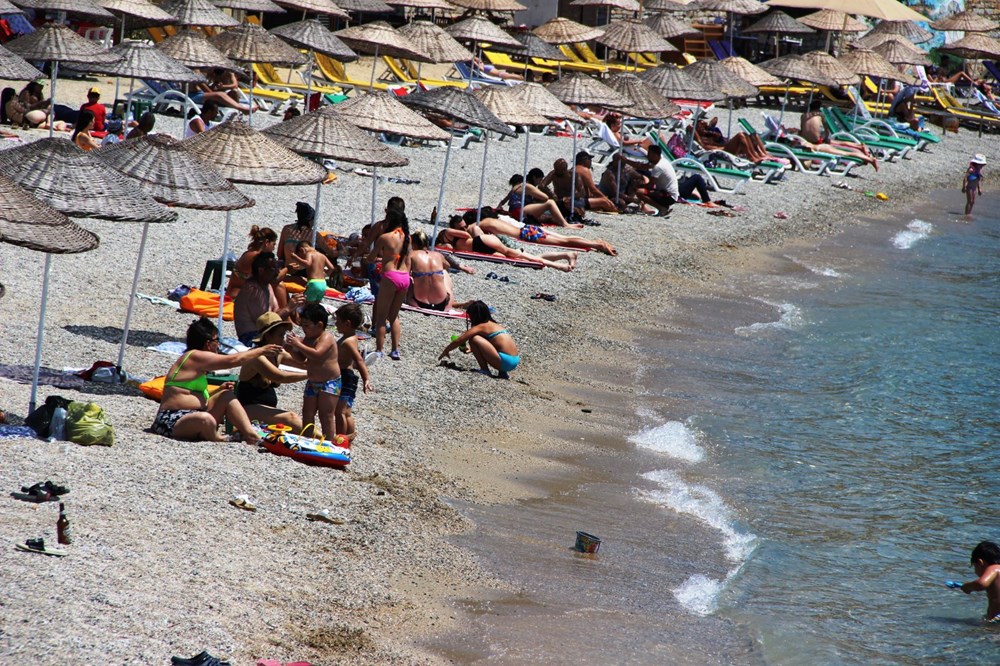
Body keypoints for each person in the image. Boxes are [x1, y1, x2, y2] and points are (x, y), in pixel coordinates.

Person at [152, 317, 281, 445]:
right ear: (208, 343)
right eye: (217, 340)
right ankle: (219, 438)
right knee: (205, 419)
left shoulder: (198, 362)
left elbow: (194, 395)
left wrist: (219, 390)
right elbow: (233, 361)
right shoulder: (195, 356)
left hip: (194, 414)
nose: (218, 344)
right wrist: (261, 350)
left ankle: (250, 434)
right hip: (172, 419)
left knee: (226, 396)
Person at [236, 312, 307, 431]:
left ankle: (325, 440)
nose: (283, 339)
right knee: (291, 418)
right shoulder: (256, 356)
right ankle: (325, 442)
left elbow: (304, 363)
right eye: (280, 335)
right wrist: (309, 375)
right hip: (247, 408)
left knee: (295, 421)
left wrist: (297, 347)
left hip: (264, 408)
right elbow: (279, 377)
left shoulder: (277, 353)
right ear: (268, 336)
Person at [284, 303, 340, 440]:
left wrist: (298, 344)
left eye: (307, 325)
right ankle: (307, 439)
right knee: (307, 412)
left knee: (326, 415)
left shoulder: (326, 337)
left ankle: (328, 441)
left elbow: (317, 354)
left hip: (330, 382)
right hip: (313, 381)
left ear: (320, 325)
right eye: (302, 325)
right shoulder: (307, 339)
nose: (304, 329)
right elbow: (302, 359)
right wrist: (291, 348)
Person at [438, 216, 577, 272]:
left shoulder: (451, 232)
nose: (464, 228)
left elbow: (466, 235)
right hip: (482, 245)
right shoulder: (448, 233)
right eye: (461, 227)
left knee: (518, 255)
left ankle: (559, 266)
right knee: (520, 257)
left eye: (465, 225)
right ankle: (564, 254)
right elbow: (448, 248)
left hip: (482, 242)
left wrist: (463, 233)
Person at [471, 208, 617, 256]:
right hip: (527, 229)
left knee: (563, 242)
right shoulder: (495, 219)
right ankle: (596, 242)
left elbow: (481, 240)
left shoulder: (483, 225)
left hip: (525, 235)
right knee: (565, 238)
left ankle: (597, 245)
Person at [368, 209, 411, 361]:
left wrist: (376, 260)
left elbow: (371, 257)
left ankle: (379, 350)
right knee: (394, 316)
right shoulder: (407, 238)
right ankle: (395, 350)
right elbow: (408, 261)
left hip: (390, 276)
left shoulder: (385, 237)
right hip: (405, 277)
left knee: (381, 317)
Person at [233, 252, 302, 347]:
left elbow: (275, 312)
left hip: (266, 335)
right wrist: (288, 307)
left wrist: (293, 308)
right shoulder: (253, 290)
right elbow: (266, 324)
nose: (277, 272)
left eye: (278, 267)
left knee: (299, 349)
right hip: (252, 339)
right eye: (273, 268)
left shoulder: (266, 285)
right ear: (261, 270)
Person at [438, 301, 520, 379]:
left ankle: (485, 370)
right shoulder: (494, 325)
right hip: (514, 360)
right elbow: (491, 344)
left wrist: (446, 351)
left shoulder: (481, 326)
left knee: (474, 338)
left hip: (504, 361)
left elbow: (459, 340)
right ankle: (502, 373)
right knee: (479, 339)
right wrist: (471, 349)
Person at [799, 100, 879, 171]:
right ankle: (864, 153)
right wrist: (826, 137)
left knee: (843, 150)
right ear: (819, 108)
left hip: (812, 142)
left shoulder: (803, 116)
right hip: (818, 142)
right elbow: (826, 129)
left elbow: (802, 130)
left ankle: (867, 156)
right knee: (841, 146)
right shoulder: (820, 115)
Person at [636, 144, 711, 216]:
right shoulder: (662, 161)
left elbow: (650, 184)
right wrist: (627, 161)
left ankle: (661, 208)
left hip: (670, 195)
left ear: (655, 155)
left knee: (640, 191)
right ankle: (707, 200)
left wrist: (639, 186)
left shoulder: (657, 168)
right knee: (696, 177)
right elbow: (644, 167)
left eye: (649, 154)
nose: (647, 156)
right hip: (673, 193)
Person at [334, 303, 373, 441]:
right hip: (348, 378)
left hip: (345, 377)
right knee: (347, 413)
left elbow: (360, 360)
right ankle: (348, 440)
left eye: (338, 321)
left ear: (347, 323)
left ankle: (340, 439)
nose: (335, 324)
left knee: (339, 412)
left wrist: (366, 378)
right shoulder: (352, 337)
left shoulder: (347, 342)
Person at [499, 173, 580, 228]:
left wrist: (499, 207)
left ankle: (562, 221)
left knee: (547, 215)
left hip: (514, 213)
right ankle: (565, 224)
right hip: (521, 212)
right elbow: (545, 197)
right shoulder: (525, 186)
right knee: (550, 203)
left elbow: (502, 202)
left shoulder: (513, 189)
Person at [226, 225, 277, 299]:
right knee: (278, 285)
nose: (274, 248)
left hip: (237, 293)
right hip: (238, 297)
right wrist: (287, 268)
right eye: (273, 244)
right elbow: (271, 278)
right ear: (266, 242)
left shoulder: (250, 253)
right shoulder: (255, 256)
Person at [409, 230, 454, 311]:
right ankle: (448, 305)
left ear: (413, 244)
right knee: (444, 272)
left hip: (418, 302)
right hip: (442, 303)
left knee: (408, 277)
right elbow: (448, 266)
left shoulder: (412, 255)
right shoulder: (438, 255)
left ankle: (409, 299)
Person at [958, 541, 1000, 622]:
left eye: (974, 566)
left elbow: (981, 584)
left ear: (980, 562)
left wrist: (968, 587)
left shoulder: (994, 569)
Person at [277, 201, 316, 267]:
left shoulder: (287, 229)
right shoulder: (313, 234)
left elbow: (279, 254)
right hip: (304, 271)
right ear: (310, 220)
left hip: (288, 268)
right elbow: (330, 252)